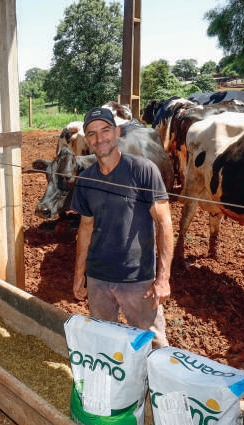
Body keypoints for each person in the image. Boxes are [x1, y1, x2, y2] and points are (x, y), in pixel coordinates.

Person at [71, 106, 173, 348]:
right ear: (87, 140)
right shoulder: (85, 180)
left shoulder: (142, 170)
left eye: (105, 130)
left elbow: (164, 223)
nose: (100, 138)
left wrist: (163, 279)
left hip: (137, 279)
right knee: (104, 342)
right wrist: (79, 275)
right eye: (92, 133)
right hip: (98, 280)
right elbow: (85, 229)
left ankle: (157, 386)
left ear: (117, 133)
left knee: (153, 342)